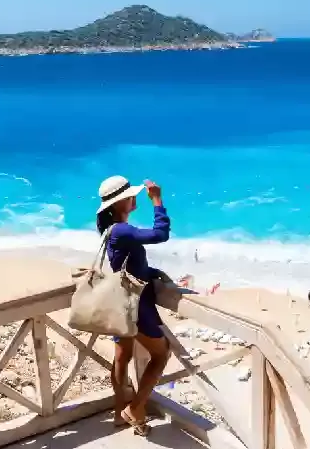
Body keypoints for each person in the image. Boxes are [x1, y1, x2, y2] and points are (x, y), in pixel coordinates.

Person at [96, 175, 171, 436]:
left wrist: (152, 272)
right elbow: (161, 234)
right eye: (132, 196)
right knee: (161, 355)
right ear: (121, 203)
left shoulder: (110, 230)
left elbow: (127, 265)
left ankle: (119, 413)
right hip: (136, 305)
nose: (135, 198)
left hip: (120, 302)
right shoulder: (123, 230)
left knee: (121, 357)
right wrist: (157, 201)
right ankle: (135, 408)